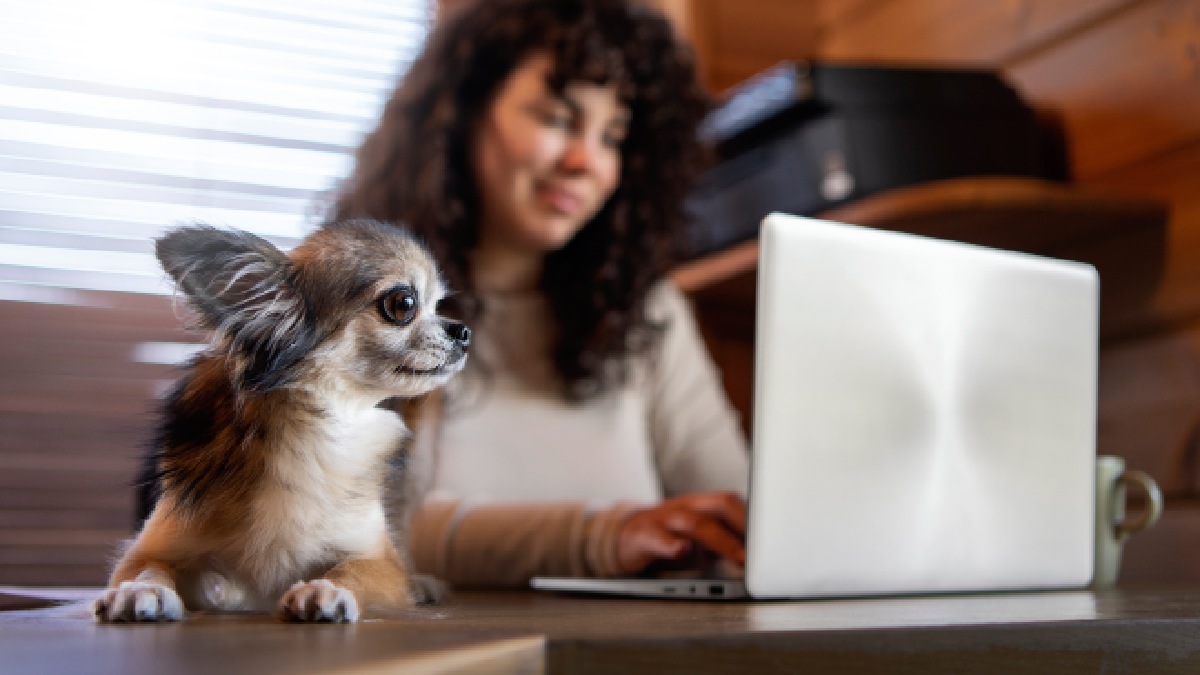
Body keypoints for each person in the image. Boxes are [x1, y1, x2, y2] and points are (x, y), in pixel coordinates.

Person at [331, 0, 750, 588]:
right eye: (557, 118)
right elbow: (374, 533)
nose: (587, 161)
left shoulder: (646, 310)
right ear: (464, 114)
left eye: (614, 136)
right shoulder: (371, 303)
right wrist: (606, 536)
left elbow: (734, 509)